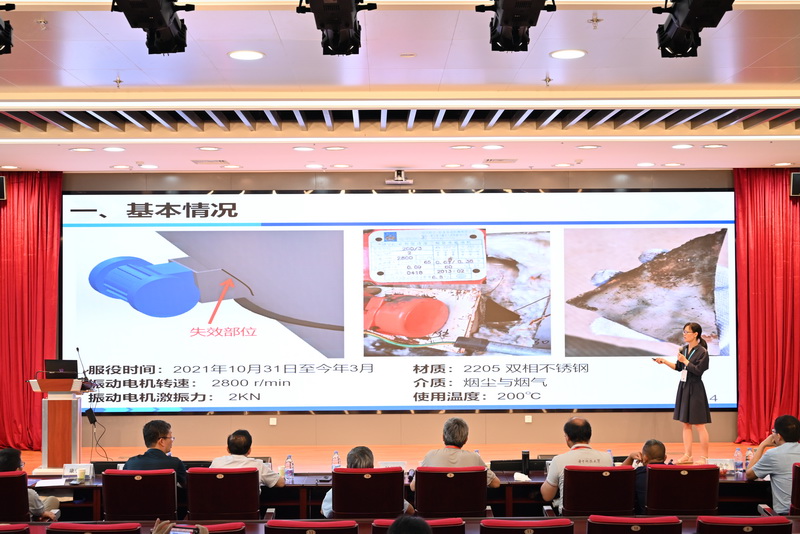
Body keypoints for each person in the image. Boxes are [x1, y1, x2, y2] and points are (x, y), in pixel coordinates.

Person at [653, 322, 711, 464]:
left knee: (699, 425)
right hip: (684, 386)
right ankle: (687, 455)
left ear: (695, 334)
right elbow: (679, 367)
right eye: (683, 332)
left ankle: (704, 457)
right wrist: (664, 362)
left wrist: (685, 361)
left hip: (696, 388)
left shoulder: (702, 351)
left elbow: (698, 371)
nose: (684, 334)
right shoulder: (684, 349)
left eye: (687, 332)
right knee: (685, 423)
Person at [539, 416, 613, 512]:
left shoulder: (558, 460)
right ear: (589, 436)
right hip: (599, 518)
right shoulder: (607, 458)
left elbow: (547, 496)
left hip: (570, 519)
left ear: (567, 438)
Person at [321, 445, 414, 518]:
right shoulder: (385, 488)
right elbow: (411, 511)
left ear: (347, 468)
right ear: (372, 467)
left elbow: (324, 511)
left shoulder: (339, 489)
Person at [410, 417, 500, 491]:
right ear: (466, 439)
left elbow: (413, 487)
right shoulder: (474, 457)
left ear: (443, 437)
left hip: (436, 507)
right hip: (468, 507)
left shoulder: (430, 455)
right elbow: (496, 484)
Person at [745, 415, 800, 515]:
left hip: (786, 517)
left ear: (779, 436)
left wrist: (762, 445)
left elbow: (749, 475)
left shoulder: (773, 454)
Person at [210, 429, 285, 489]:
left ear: (228, 449)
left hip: (220, 504)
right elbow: (281, 483)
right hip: (248, 504)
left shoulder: (217, 462)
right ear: (249, 451)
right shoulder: (257, 465)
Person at [0, 447, 60, 521]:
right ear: (17, 470)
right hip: (25, 525)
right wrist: (42, 513)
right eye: (21, 464)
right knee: (52, 500)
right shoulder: (27, 493)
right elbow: (39, 511)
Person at [123, 419, 187, 487]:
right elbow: (188, 487)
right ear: (161, 441)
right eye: (170, 438)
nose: (172, 441)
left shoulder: (131, 463)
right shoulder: (175, 463)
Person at [621, 438, 666, 514]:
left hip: (643, 518)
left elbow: (620, 476)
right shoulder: (674, 472)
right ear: (665, 458)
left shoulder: (638, 473)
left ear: (644, 458)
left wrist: (630, 457)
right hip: (672, 518)